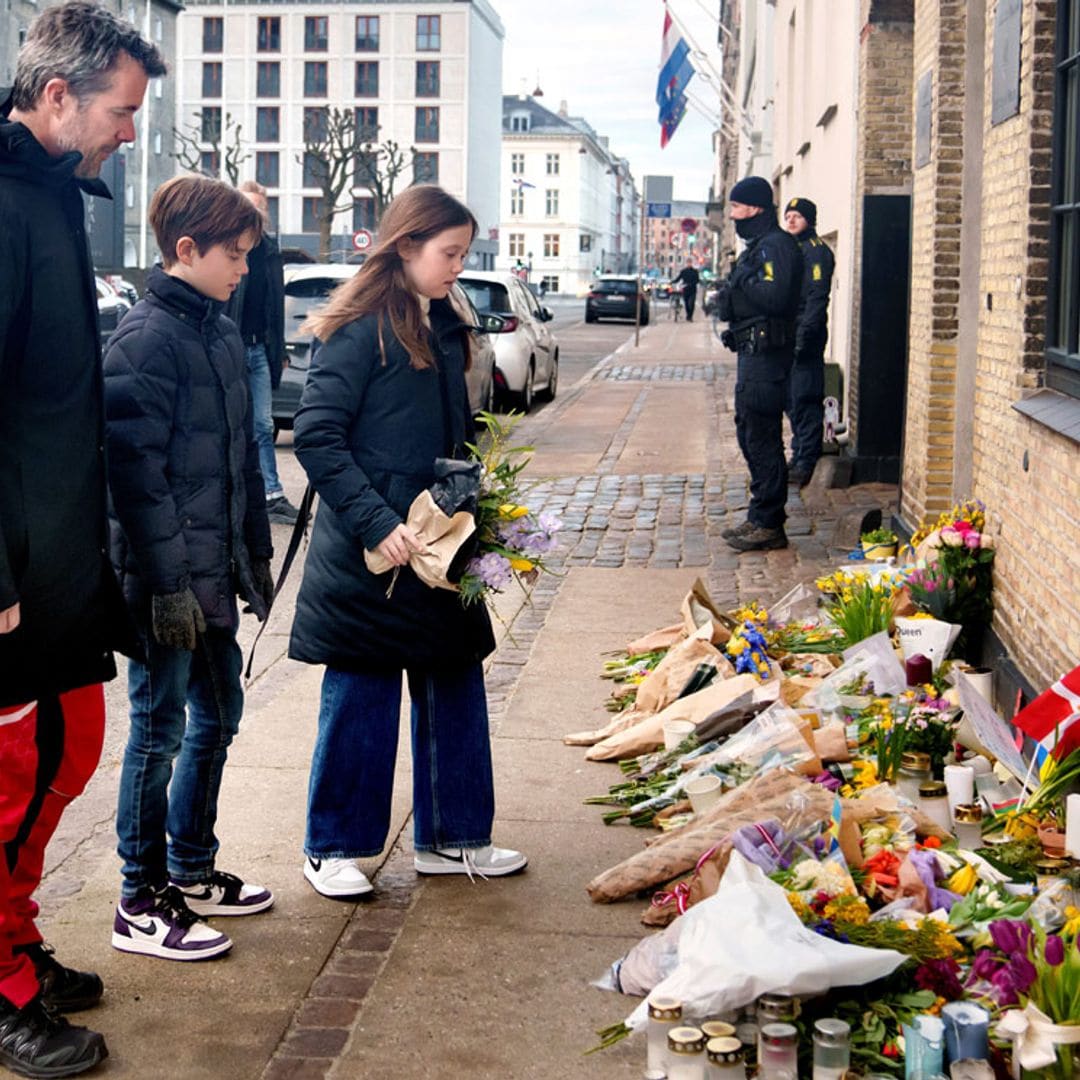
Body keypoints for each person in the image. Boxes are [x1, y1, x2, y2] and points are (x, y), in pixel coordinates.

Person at [0, 4, 163, 1074]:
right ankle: (2, 988)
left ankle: (13, 942)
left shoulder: (50, 196)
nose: (132, 132)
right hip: (14, 565)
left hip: (55, 545)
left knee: (69, 748)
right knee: (21, 771)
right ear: (57, 96)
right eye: (123, 109)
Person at [289, 185, 526, 899]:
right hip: (377, 555)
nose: (459, 265)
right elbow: (318, 438)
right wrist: (378, 522)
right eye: (449, 253)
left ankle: (453, 838)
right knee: (361, 697)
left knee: (454, 681)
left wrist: (481, 512)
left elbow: (458, 434)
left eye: (463, 252)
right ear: (407, 245)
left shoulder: (449, 322)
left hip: (441, 544)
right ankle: (332, 846)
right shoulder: (360, 328)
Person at [103, 175, 276, 962]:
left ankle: (191, 866)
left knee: (219, 719)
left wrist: (255, 555)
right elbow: (136, 480)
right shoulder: (144, 339)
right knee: (158, 733)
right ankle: (139, 897)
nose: (244, 268)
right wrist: (167, 589)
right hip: (164, 586)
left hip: (208, 579)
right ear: (186, 250)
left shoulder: (216, 330)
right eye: (235, 255)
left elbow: (240, 460)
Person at [716, 176, 803, 552]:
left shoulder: (777, 247)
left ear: (753, 208)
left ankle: (768, 522)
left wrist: (742, 283)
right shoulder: (758, 248)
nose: (732, 215)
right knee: (749, 433)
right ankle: (761, 516)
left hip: (768, 358)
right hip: (752, 354)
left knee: (762, 437)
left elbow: (777, 298)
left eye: (736, 208)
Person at [226, 179, 298, 525]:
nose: (254, 214)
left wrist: (278, 350)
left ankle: (272, 494)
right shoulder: (225, 248)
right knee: (230, 422)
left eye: (259, 208)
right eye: (247, 206)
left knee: (263, 424)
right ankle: (237, 491)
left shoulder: (270, 252)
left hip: (258, 349)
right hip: (231, 347)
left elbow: (276, 308)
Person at [783, 197, 835, 486]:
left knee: (804, 397)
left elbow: (817, 297)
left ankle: (806, 460)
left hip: (807, 334)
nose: (791, 221)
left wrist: (805, 334)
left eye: (797, 216)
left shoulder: (816, 252)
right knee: (791, 399)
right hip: (790, 334)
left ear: (809, 220)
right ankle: (798, 453)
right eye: (788, 216)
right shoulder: (792, 249)